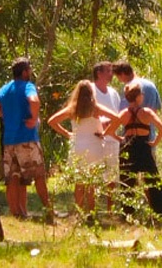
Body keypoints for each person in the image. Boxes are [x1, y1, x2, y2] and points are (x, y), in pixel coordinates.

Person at [46, 80, 123, 216]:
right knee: (91, 183)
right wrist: (106, 133)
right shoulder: (96, 108)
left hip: (78, 146)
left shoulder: (72, 108)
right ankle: (91, 214)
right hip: (94, 146)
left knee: (79, 182)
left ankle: (79, 213)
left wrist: (68, 134)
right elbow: (116, 118)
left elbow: (52, 121)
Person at [0, 59, 53, 222]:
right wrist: (33, 118)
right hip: (27, 139)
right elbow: (34, 100)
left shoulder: (6, 88)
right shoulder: (28, 86)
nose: (31, 73)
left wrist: (3, 111)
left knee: (12, 177)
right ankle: (49, 210)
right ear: (25, 72)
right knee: (39, 175)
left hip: (9, 141)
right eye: (29, 70)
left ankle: (17, 214)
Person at [119, 82, 162, 223]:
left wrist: (120, 139)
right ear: (138, 97)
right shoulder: (146, 112)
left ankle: (127, 214)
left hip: (128, 146)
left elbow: (109, 131)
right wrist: (155, 142)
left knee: (127, 181)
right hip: (143, 147)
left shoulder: (124, 113)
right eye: (141, 94)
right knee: (152, 180)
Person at [91, 62, 122, 211]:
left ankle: (111, 208)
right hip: (94, 138)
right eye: (108, 71)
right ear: (99, 73)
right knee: (93, 173)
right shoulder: (91, 91)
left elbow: (117, 115)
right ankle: (92, 207)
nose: (111, 74)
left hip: (112, 138)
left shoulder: (113, 93)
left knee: (112, 175)